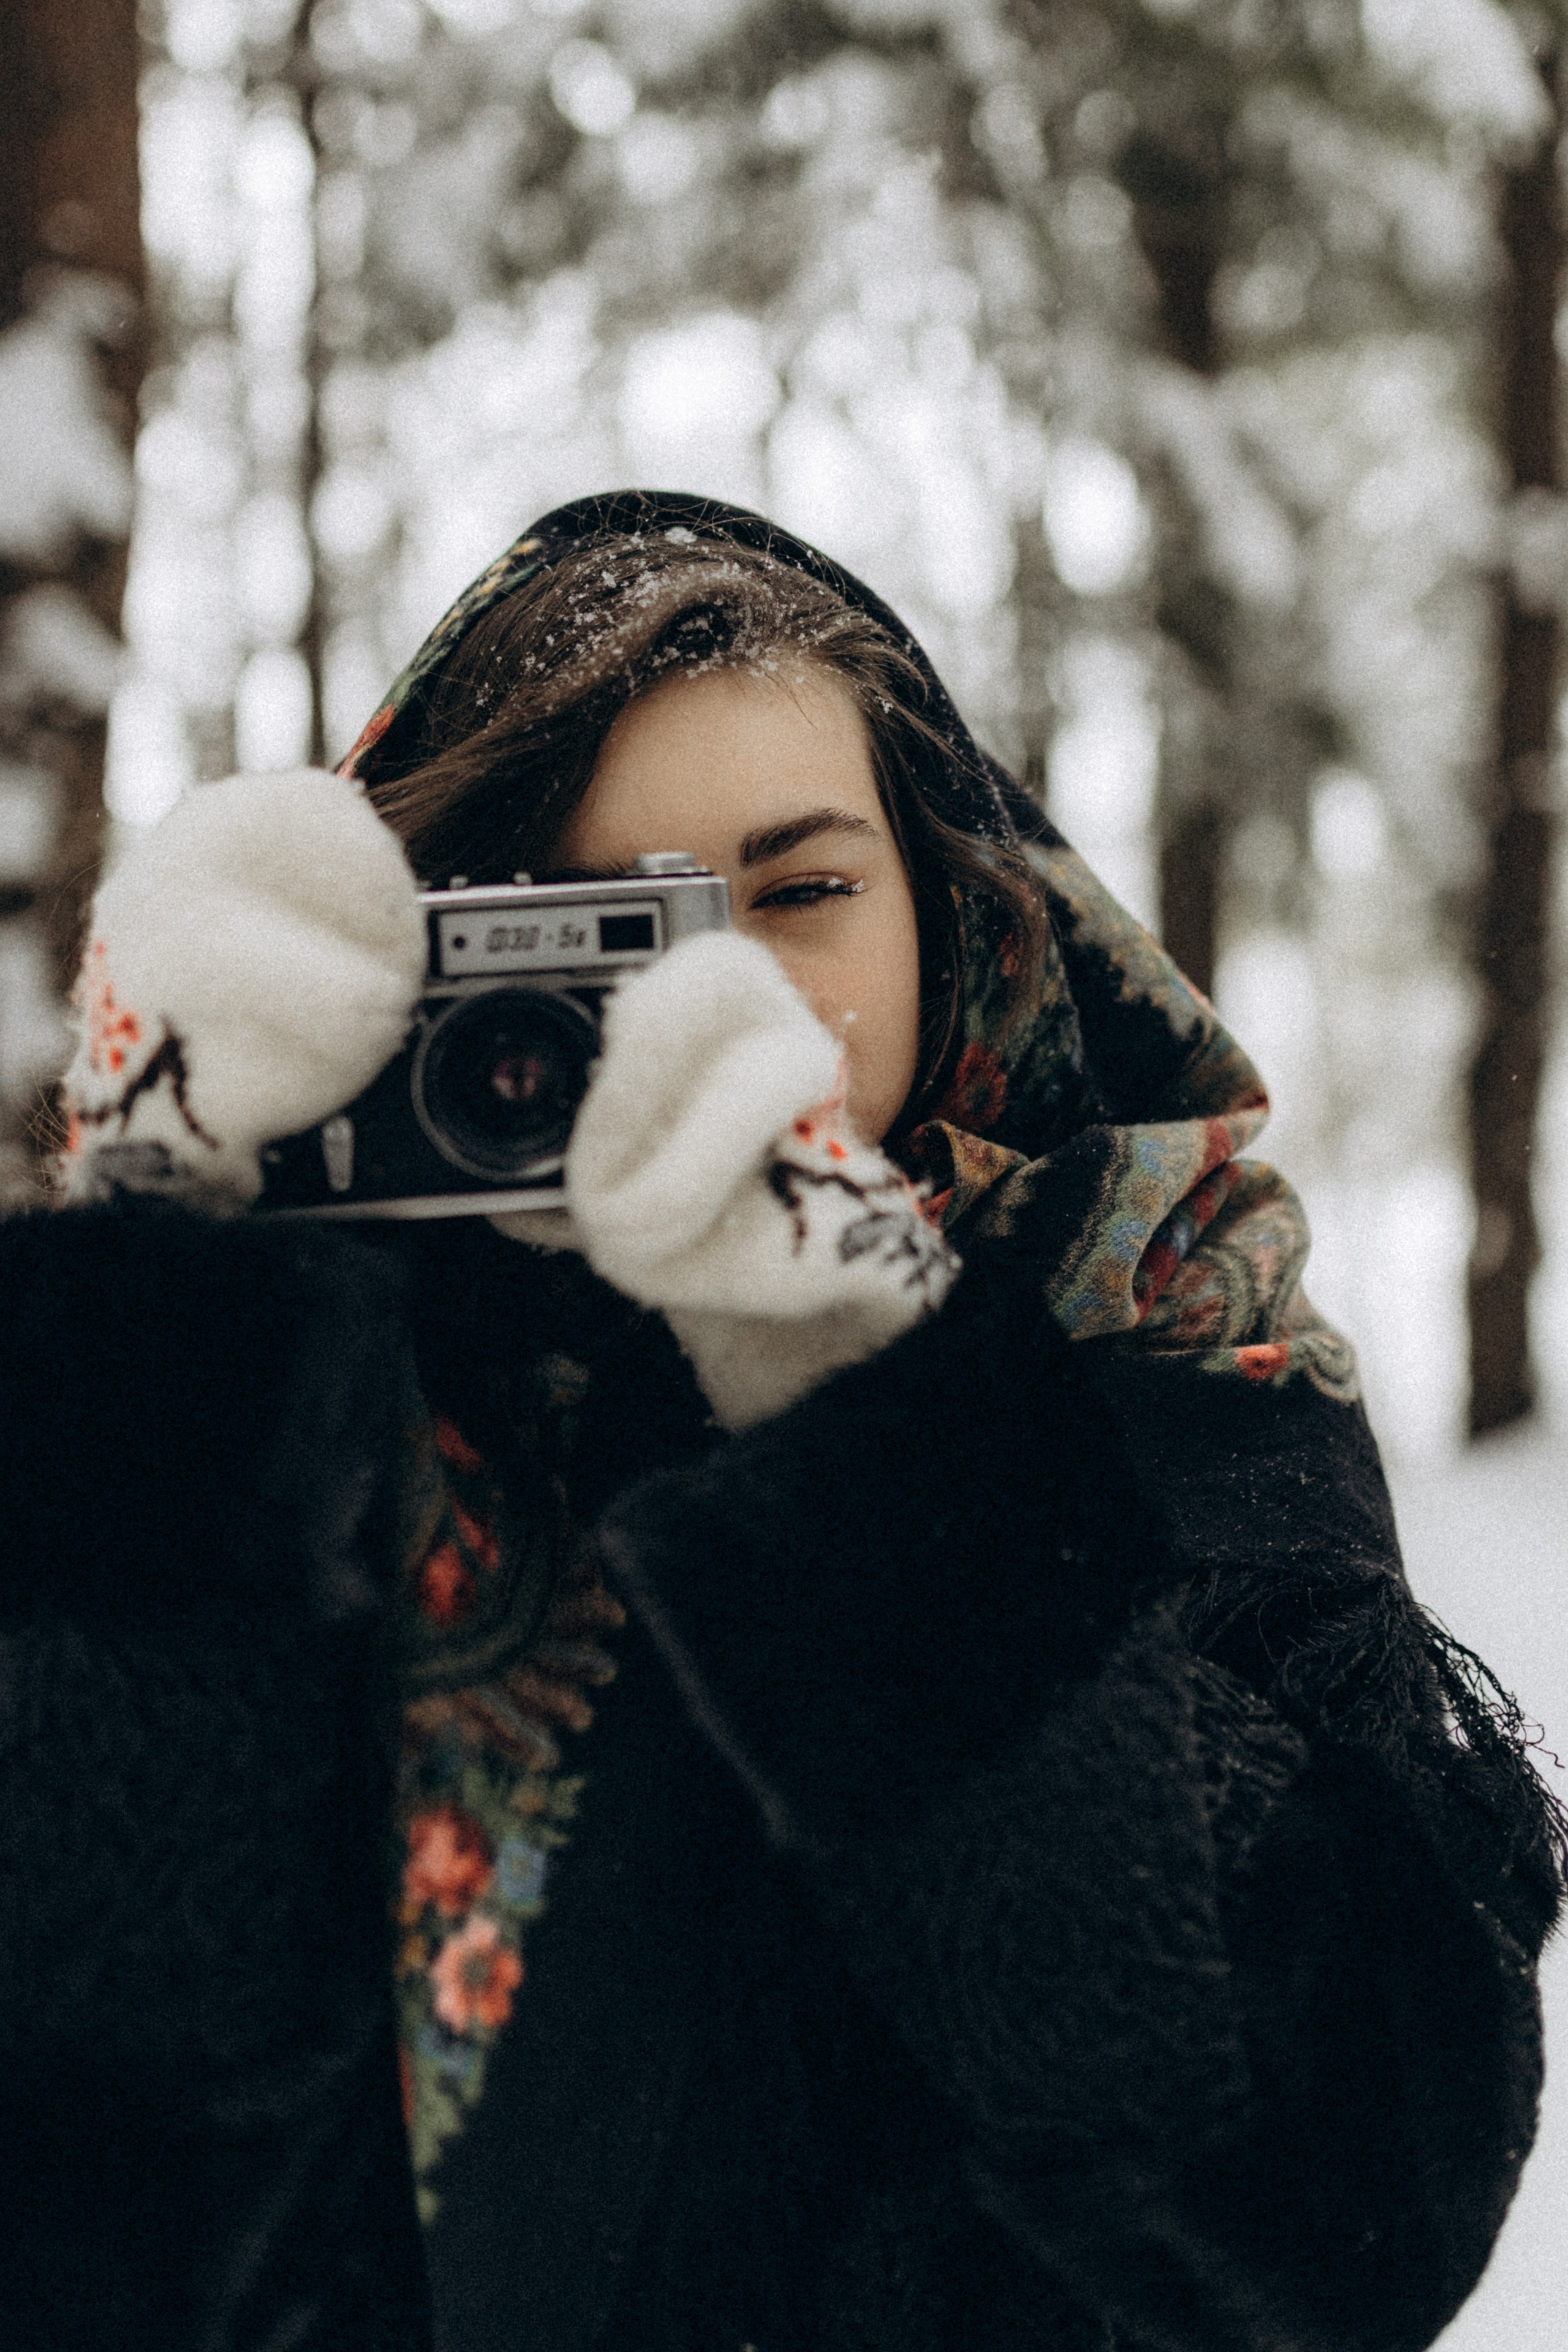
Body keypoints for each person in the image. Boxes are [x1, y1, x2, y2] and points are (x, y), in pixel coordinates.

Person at [1, 491, 1560, 2352]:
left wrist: (874, 1400)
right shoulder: (301, 1400)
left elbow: (1351, 2205)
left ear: (954, 913)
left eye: (800, 892)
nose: (712, 992)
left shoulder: (1147, 1325)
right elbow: (86, 2186)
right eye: (597, 927)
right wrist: (151, 1343)